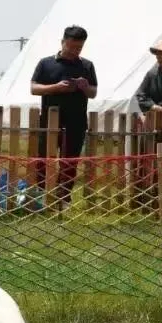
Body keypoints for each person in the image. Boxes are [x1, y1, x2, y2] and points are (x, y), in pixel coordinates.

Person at [29, 25, 98, 204]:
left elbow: (93, 93)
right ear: (62, 42)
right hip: (49, 120)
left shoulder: (87, 65)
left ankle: (63, 198)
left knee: (70, 161)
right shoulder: (46, 63)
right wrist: (56, 87)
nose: (75, 51)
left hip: (76, 120)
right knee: (44, 159)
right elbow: (34, 88)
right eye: (71, 46)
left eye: (79, 48)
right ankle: (41, 196)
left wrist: (85, 87)